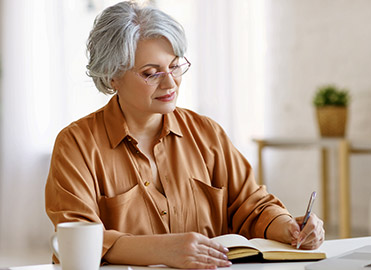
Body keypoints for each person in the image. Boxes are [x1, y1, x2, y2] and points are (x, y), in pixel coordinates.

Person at [44, 1, 325, 269]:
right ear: (111, 76)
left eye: (175, 66)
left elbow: (252, 206)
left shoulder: (206, 133)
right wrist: (163, 249)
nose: (170, 83)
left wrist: (288, 227)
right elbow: (77, 241)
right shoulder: (76, 145)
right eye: (150, 73)